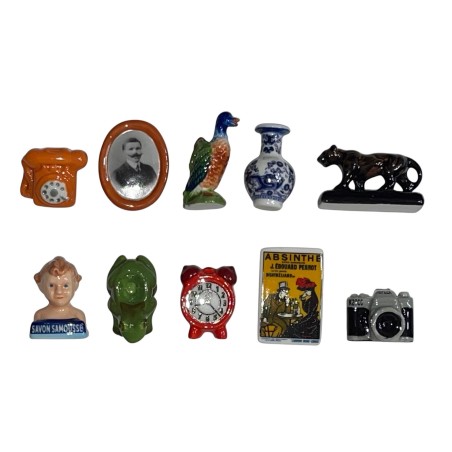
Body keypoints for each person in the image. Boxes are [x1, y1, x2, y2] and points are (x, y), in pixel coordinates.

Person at [33, 256, 85, 322]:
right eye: (51, 285)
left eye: (65, 286)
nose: (59, 291)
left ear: (75, 285)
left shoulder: (78, 316)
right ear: (41, 286)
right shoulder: (40, 315)